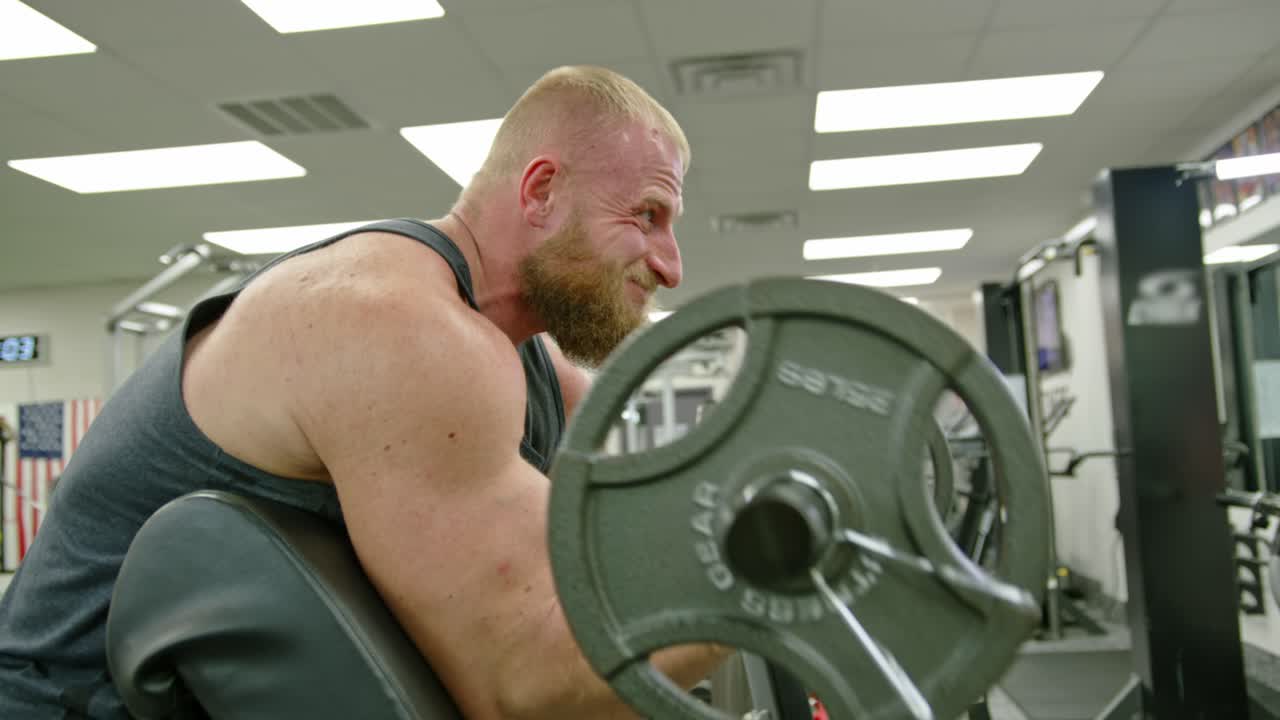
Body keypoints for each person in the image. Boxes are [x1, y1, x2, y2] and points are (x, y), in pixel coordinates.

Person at [0, 65, 729, 719]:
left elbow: (584, 576)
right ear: (541, 190)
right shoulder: (395, 324)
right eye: (647, 216)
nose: (671, 266)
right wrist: (768, 569)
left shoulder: (535, 366)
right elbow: (520, 686)